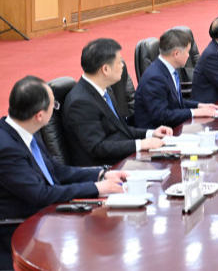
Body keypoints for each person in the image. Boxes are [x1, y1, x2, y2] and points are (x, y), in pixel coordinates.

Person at [0, 76, 127, 269]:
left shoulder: (26, 131)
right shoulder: (7, 149)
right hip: (21, 231)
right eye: (54, 105)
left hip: (46, 217)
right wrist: (95, 188)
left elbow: (56, 171)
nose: (55, 109)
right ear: (40, 115)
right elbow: (40, 194)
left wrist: (100, 175)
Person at [61, 38, 172, 166]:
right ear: (106, 69)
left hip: (122, 159)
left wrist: (150, 133)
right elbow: (98, 148)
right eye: (119, 62)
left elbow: (121, 129)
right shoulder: (80, 102)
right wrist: (140, 144)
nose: (123, 66)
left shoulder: (105, 90)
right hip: (105, 169)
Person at [134, 29, 218, 129]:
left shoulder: (169, 69)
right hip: (157, 133)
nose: (188, 55)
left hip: (172, 127)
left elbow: (175, 102)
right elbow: (161, 116)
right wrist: (194, 112)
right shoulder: (154, 78)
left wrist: (200, 106)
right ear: (176, 53)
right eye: (187, 52)